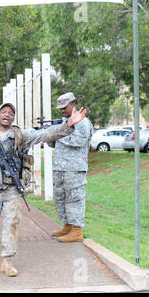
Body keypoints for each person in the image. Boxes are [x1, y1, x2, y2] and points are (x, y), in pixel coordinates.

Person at [0, 92, 87, 277]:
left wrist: (68, 124)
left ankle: (7, 260)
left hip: (11, 188)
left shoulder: (22, 135)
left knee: (11, 223)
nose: (7, 115)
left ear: (13, 118)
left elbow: (46, 133)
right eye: (3, 112)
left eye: (10, 113)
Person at [47, 93, 93, 242]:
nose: (62, 110)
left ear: (73, 104)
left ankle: (77, 230)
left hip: (74, 168)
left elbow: (78, 141)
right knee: (61, 198)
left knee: (75, 198)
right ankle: (68, 226)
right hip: (60, 168)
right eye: (60, 108)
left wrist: (58, 135)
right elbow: (50, 142)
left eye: (64, 107)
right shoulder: (63, 123)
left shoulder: (82, 122)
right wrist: (51, 134)